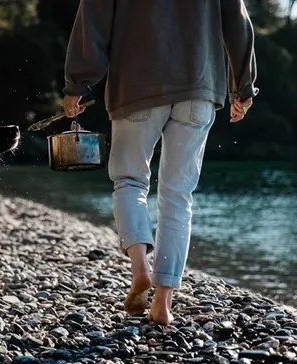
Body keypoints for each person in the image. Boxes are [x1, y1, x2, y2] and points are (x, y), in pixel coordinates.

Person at [62, 0, 258, 325]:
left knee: (129, 181)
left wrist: (77, 84)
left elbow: (92, 21)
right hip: (199, 88)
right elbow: (238, 24)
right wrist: (243, 88)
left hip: (136, 87)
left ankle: (140, 266)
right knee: (178, 195)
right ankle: (162, 303)